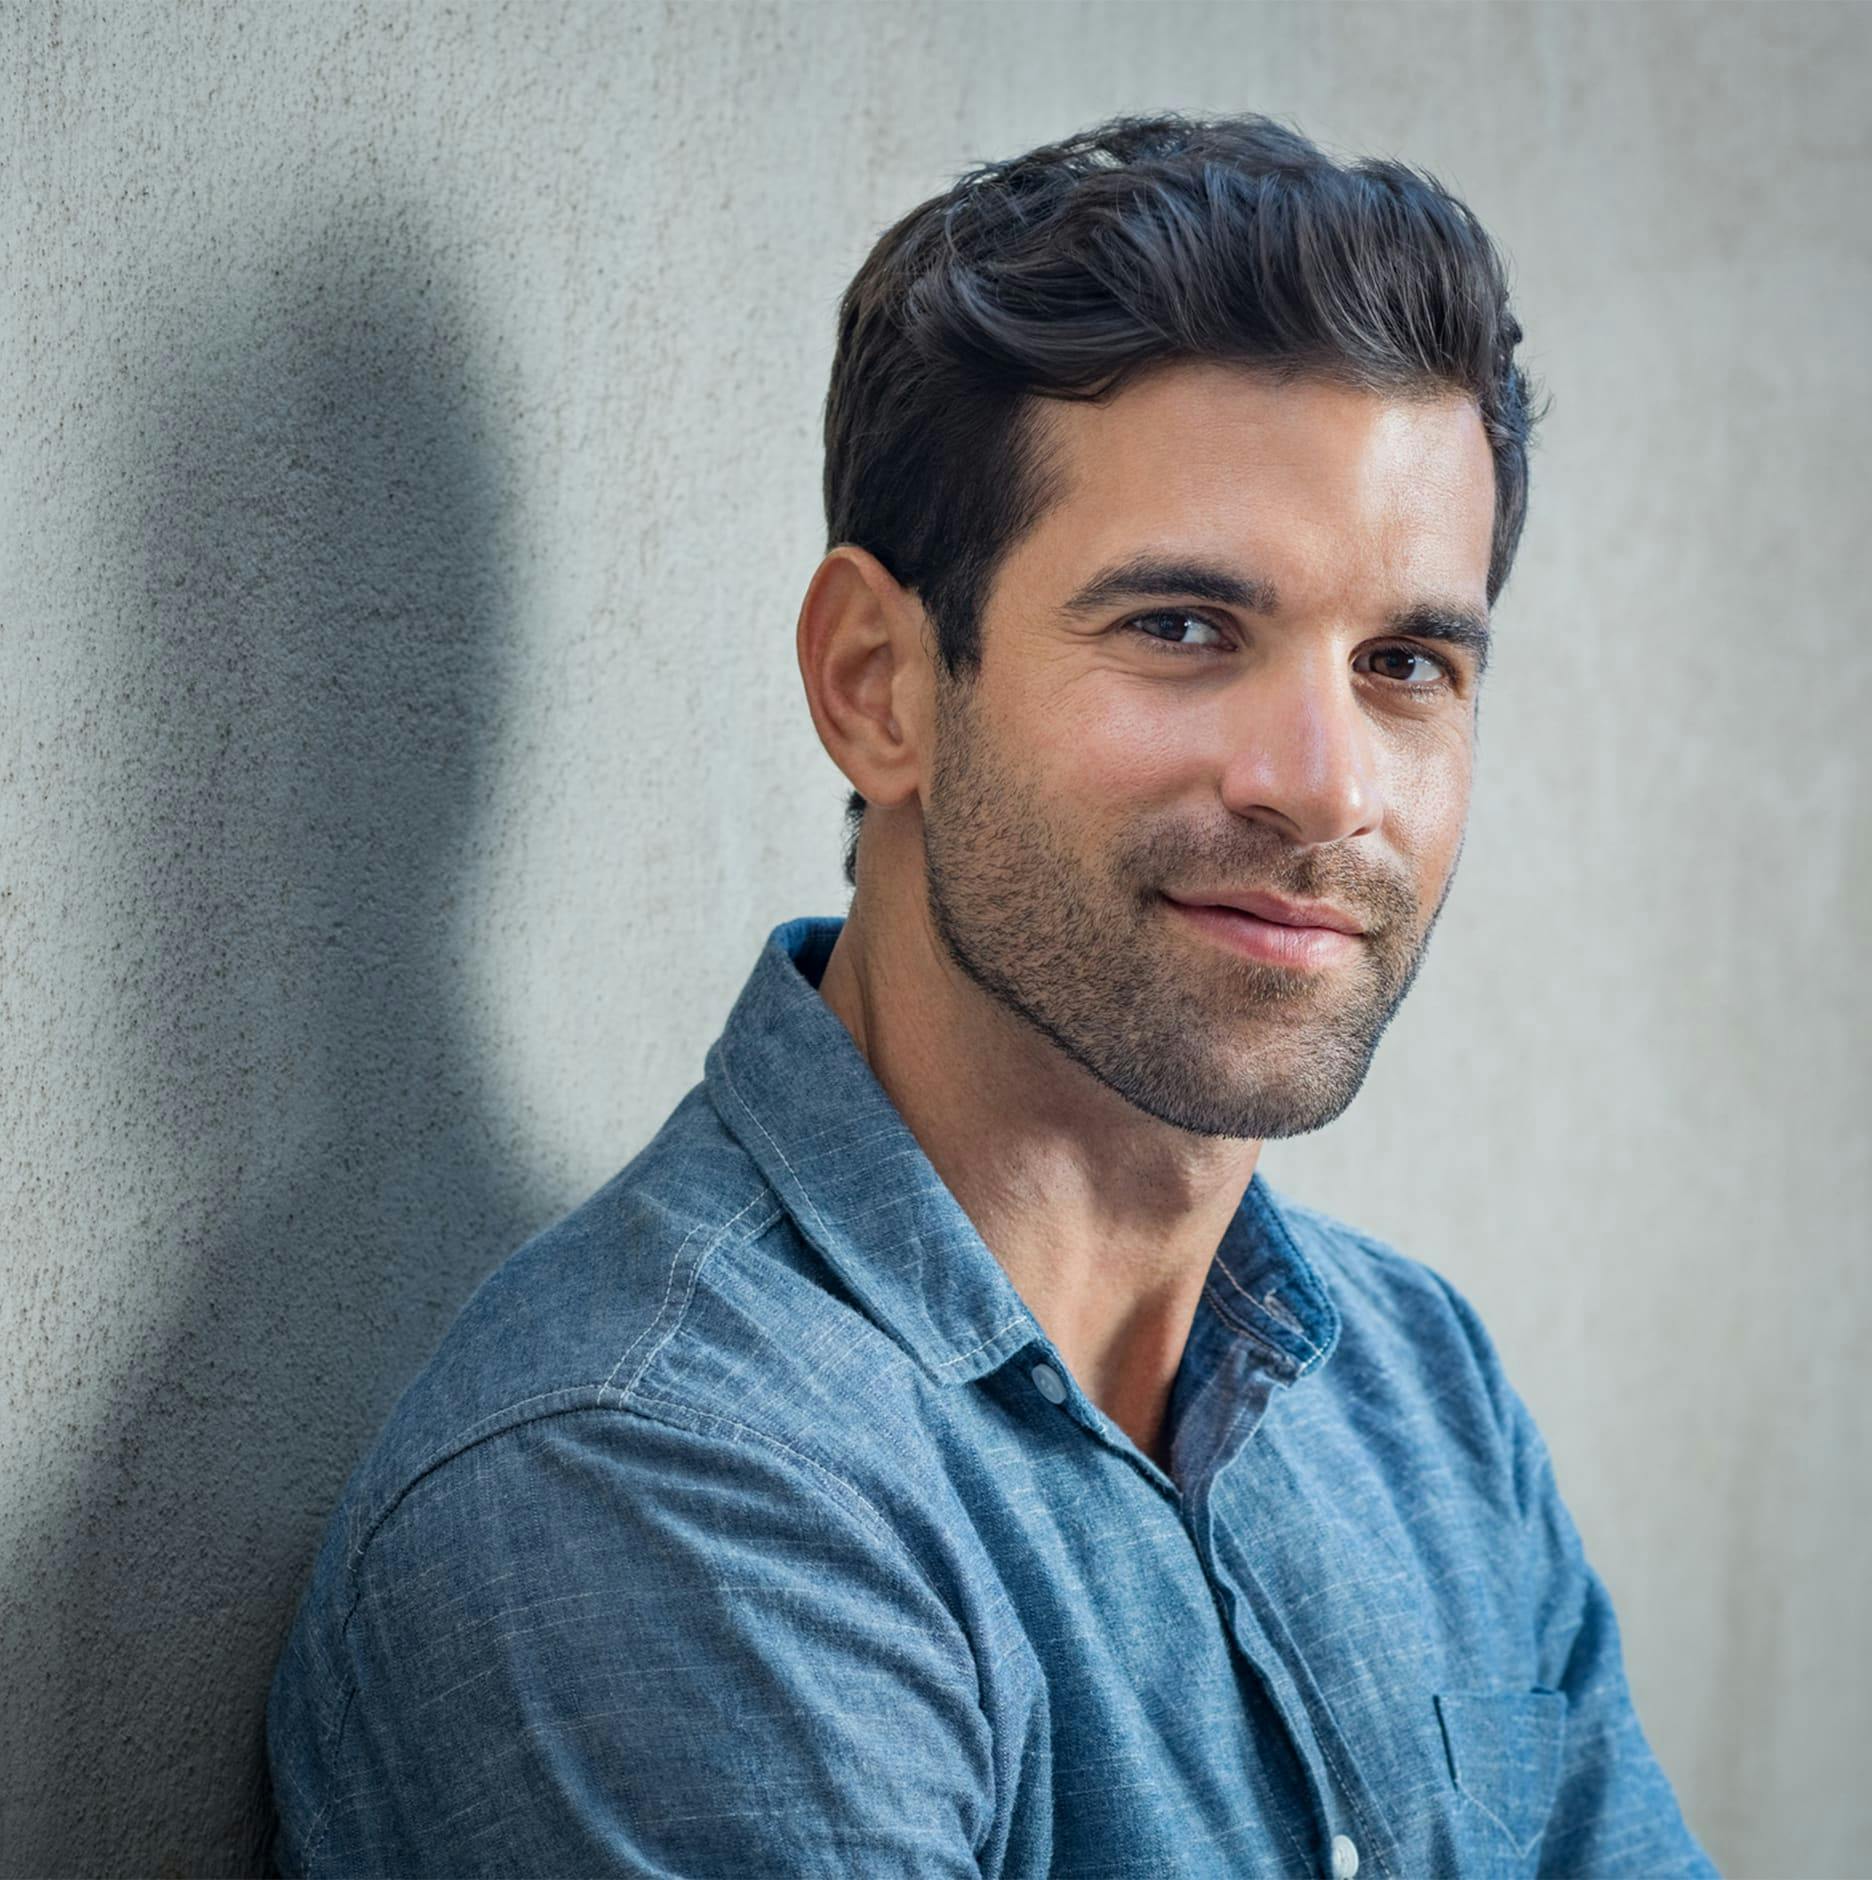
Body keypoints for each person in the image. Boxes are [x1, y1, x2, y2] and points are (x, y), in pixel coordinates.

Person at [267, 111, 1716, 1878]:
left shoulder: (1422, 1400)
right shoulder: (654, 1486)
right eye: (1184, 627)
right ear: (878, 684)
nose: (1327, 785)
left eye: (1406, 663)